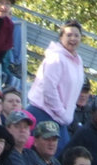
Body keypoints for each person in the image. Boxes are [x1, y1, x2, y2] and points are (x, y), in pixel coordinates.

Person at [25, 19, 82, 152]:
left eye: (76, 35)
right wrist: (62, 113)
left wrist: (66, 115)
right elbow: (49, 90)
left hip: (60, 118)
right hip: (43, 112)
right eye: (68, 35)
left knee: (64, 156)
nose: (73, 38)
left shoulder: (78, 61)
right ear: (61, 37)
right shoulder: (55, 58)